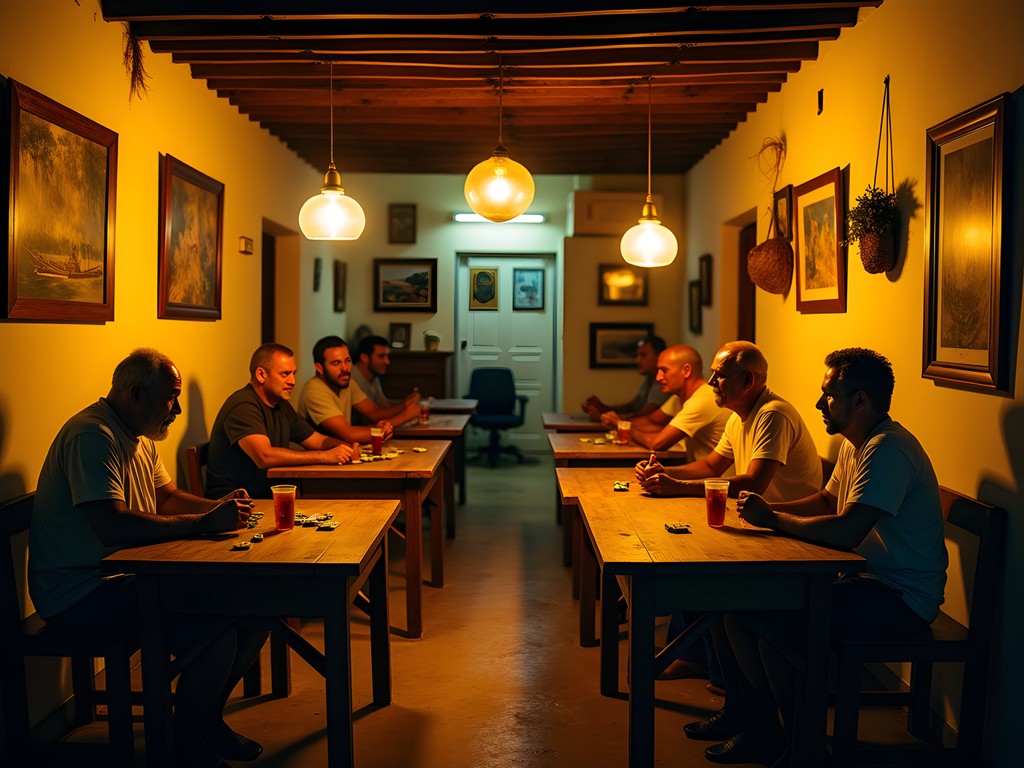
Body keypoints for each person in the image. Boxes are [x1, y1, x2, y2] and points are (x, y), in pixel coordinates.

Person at [686, 348, 948, 767]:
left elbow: (847, 531)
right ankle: (755, 724)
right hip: (866, 581)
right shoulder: (857, 443)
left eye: (829, 394)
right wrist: (772, 514)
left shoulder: (888, 450)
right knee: (733, 607)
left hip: (901, 597)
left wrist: (774, 518)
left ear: (860, 401)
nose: (818, 403)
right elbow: (828, 499)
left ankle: (802, 747)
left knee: (774, 626)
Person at [29, 349, 268, 767]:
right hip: (80, 592)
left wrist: (217, 509)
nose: (175, 409)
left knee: (256, 611)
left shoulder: (136, 433)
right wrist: (204, 524)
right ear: (135, 392)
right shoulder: (93, 435)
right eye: (170, 398)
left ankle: (203, 723)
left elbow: (166, 497)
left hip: (124, 576)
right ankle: (188, 743)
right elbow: (113, 526)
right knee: (215, 631)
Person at [635, 340, 821, 501]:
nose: (710, 382)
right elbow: (710, 466)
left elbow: (753, 483)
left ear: (747, 380)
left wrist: (678, 486)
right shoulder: (737, 416)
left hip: (787, 527)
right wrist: (664, 472)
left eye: (720, 375)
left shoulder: (773, 414)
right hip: (760, 520)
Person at [206, 342, 357, 499]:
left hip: (268, 497)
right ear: (261, 375)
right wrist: (325, 456)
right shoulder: (243, 406)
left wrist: (345, 448)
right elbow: (264, 456)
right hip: (236, 506)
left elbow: (317, 440)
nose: (292, 381)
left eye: (294, 373)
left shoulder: (280, 405)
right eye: (285, 374)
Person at [297, 335, 420, 443]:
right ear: (319, 368)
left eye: (347, 361)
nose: (345, 368)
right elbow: (349, 434)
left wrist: (403, 407)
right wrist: (404, 417)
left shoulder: (347, 382)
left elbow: (374, 413)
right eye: (336, 363)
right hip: (313, 462)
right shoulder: (314, 391)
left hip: (340, 454)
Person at [628, 344, 730, 461]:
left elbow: (657, 443)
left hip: (718, 478)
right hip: (700, 471)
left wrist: (626, 429)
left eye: (664, 370)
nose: (658, 377)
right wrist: (620, 423)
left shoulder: (702, 400)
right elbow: (654, 422)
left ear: (686, 371)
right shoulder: (680, 397)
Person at [582, 335, 668, 424]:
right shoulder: (650, 378)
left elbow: (645, 417)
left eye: (643, 355)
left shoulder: (662, 382)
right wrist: (602, 407)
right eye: (637, 355)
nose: (637, 360)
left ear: (659, 356)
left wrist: (603, 417)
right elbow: (633, 406)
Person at [350, 334, 421, 426]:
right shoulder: (352, 377)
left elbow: (385, 405)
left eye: (387, 356)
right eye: (381, 356)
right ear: (364, 357)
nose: (387, 361)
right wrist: (405, 405)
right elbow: (373, 415)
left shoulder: (373, 374)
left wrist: (407, 400)